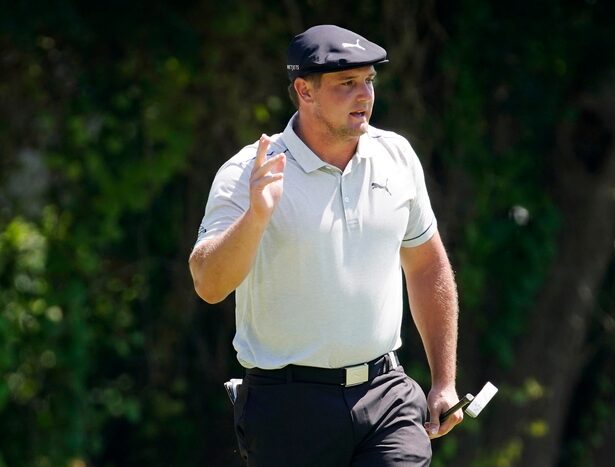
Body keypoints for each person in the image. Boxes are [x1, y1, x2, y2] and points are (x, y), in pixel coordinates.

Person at [188, 24, 462, 466]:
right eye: (347, 83)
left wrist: (443, 381)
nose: (364, 95)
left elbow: (427, 266)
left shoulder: (397, 156)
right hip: (287, 405)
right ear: (304, 90)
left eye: (369, 81)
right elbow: (208, 283)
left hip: (386, 394)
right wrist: (256, 215)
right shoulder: (248, 172)